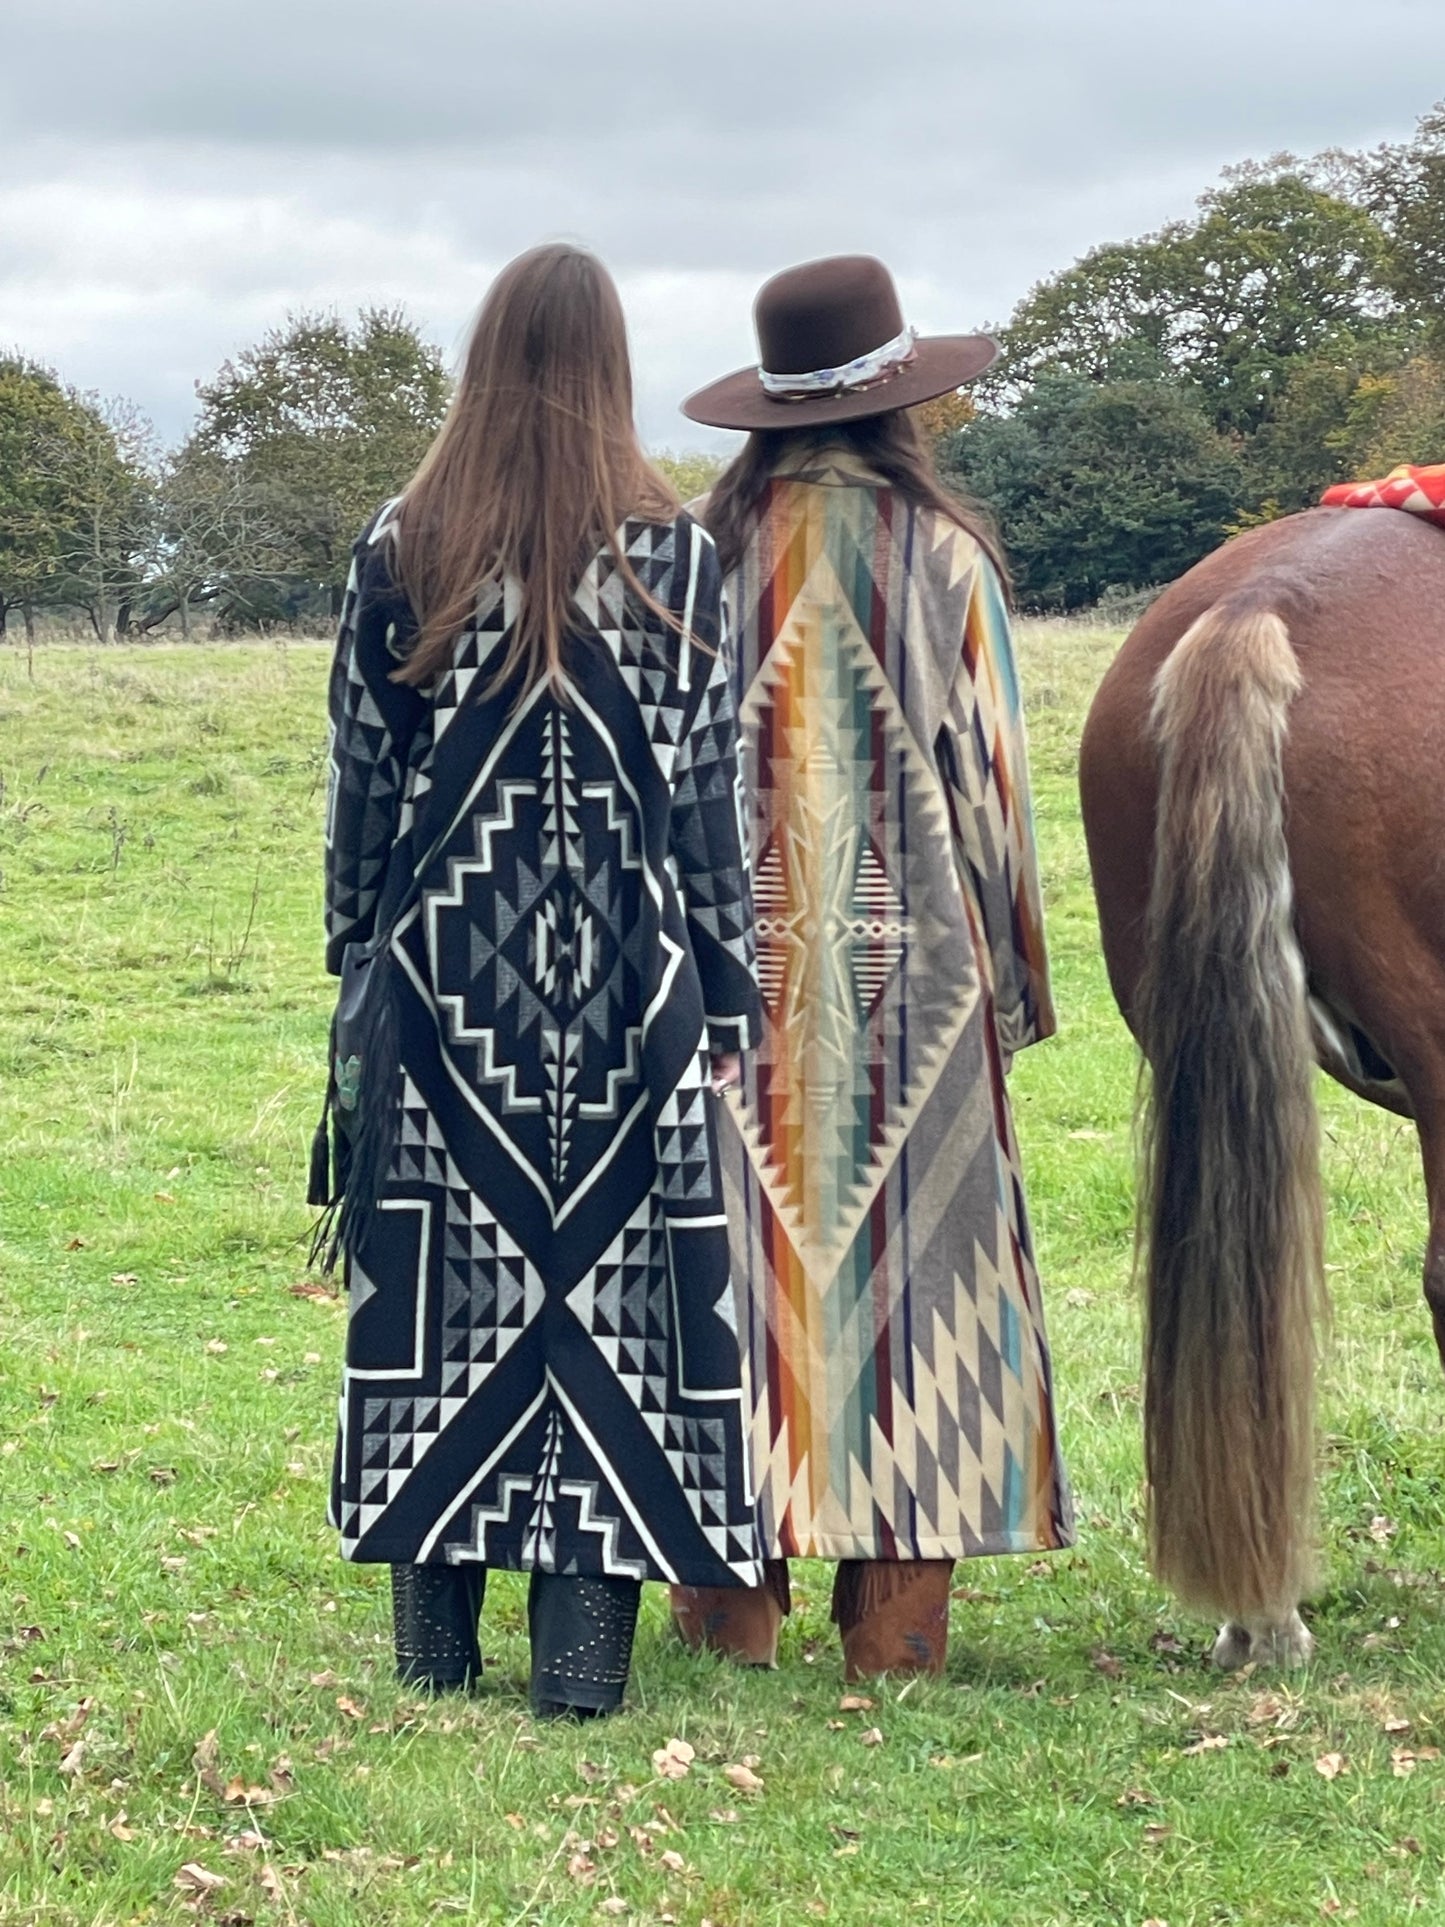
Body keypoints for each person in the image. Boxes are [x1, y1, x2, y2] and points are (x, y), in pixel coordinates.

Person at [319, 243, 764, 1720]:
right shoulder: (674, 553)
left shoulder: (406, 542)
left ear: (482, 358)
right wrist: (725, 977)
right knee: (620, 1309)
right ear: (612, 367)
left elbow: (362, 783)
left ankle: (432, 1660)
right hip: (632, 996)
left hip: (445, 994)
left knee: (441, 1301)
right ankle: (579, 1671)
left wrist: (356, 963)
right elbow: (709, 801)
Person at [669, 255, 1072, 1680]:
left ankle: (730, 1608)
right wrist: (1011, 990)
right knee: (924, 1276)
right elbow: (993, 789)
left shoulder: (695, 560)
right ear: (900, 404)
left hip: (717, 987)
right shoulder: (942, 558)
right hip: (915, 987)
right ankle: (895, 1623)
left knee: (727, 1264)